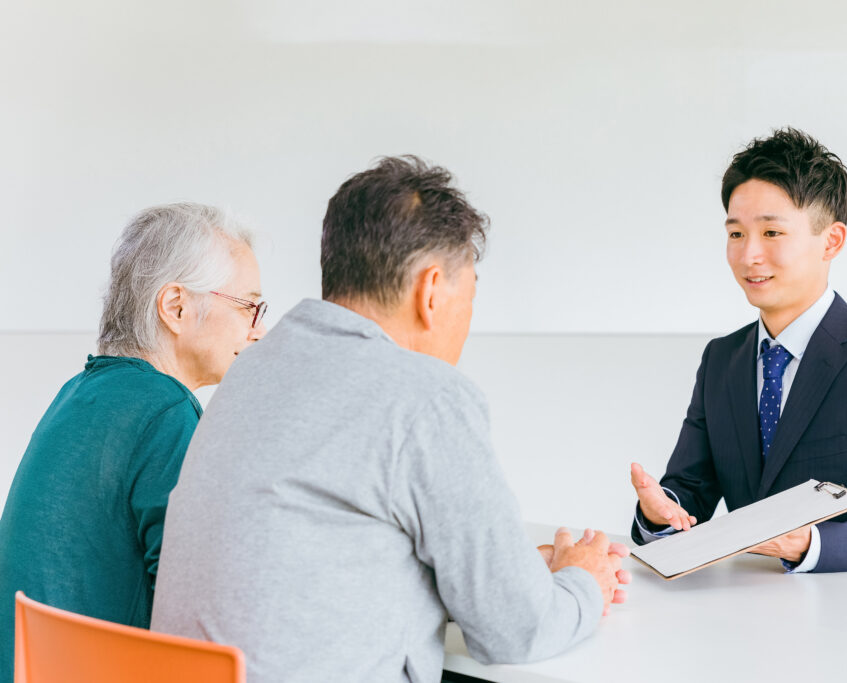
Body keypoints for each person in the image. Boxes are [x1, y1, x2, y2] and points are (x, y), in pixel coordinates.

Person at [151, 156, 630, 683]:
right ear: (430, 292)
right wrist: (585, 578)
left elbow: (314, 564)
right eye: (467, 299)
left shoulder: (253, 372)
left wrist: (496, 574)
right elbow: (517, 630)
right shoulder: (425, 394)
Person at [630, 128, 847, 575]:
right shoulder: (722, 359)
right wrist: (661, 513)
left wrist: (807, 545)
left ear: (831, 241)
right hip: (737, 612)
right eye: (736, 234)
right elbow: (689, 492)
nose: (749, 254)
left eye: (771, 232)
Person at [0, 203, 265, 682]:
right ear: (176, 307)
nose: (258, 330)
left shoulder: (77, 394)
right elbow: (200, 618)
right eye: (249, 306)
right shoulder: (166, 413)